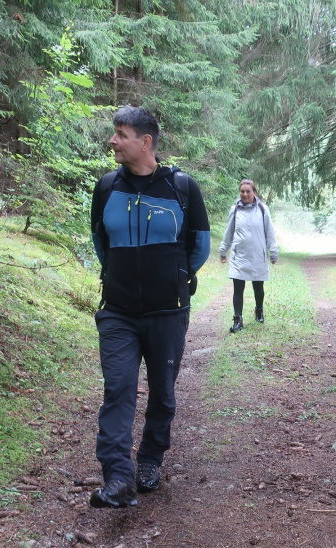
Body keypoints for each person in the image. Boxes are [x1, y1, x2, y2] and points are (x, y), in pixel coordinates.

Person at [88, 106, 210, 508]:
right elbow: (101, 241)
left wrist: (173, 278)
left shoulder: (182, 187)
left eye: (120, 134)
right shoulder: (107, 187)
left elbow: (200, 246)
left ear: (145, 142)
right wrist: (119, 275)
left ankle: (150, 459)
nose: (112, 141)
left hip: (167, 311)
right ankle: (118, 477)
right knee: (118, 388)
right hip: (118, 311)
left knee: (162, 392)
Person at [219, 179, 278, 333]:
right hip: (239, 256)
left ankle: (259, 310)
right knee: (238, 289)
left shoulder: (263, 210)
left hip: (258, 256)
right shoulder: (235, 210)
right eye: (242, 191)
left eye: (248, 191)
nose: (245, 194)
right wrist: (223, 250)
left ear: (254, 192)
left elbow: (270, 232)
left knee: (258, 288)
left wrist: (273, 252)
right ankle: (238, 320)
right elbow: (228, 232)